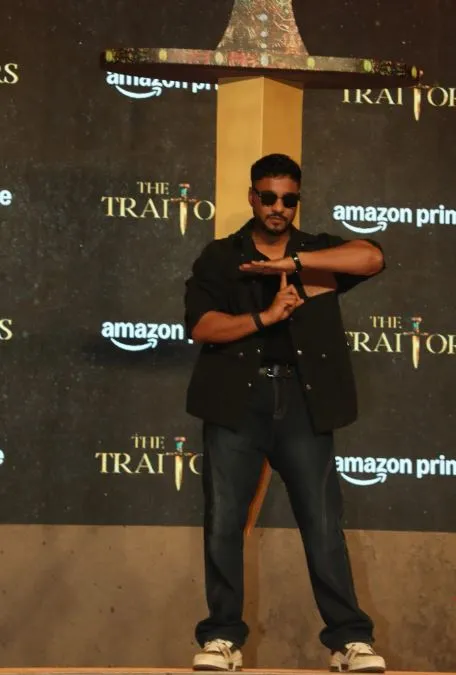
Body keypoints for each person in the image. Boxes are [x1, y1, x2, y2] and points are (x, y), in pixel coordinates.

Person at [184, 153, 386, 673]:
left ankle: (349, 641)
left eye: (289, 199)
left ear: (297, 200)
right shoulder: (221, 256)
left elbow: (372, 257)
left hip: (303, 400)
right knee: (224, 521)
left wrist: (291, 266)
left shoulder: (316, 251)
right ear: (252, 197)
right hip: (237, 400)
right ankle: (222, 638)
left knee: (322, 522)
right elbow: (201, 326)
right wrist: (265, 317)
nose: (279, 207)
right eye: (269, 197)